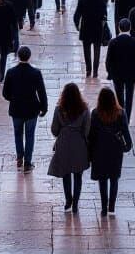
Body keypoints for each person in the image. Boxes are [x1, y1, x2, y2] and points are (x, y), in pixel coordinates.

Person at [2, 46, 48, 172]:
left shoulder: (11, 72)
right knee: (30, 135)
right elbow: (41, 92)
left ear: (18, 56)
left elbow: (5, 93)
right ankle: (27, 162)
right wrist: (44, 107)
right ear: (29, 56)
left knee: (17, 134)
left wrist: (14, 98)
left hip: (16, 109)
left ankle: (19, 157)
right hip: (31, 109)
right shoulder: (36, 73)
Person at [88, 87, 132, 216]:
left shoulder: (95, 113)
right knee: (114, 178)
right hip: (115, 150)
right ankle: (111, 206)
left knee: (102, 179)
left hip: (99, 150)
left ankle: (103, 207)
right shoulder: (120, 113)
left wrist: (89, 153)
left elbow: (91, 135)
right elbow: (125, 131)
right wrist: (127, 146)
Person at [48, 82, 91, 213]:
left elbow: (54, 130)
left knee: (65, 173)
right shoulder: (84, 109)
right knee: (78, 175)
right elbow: (87, 130)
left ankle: (68, 201)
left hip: (64, 144)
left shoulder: (59, 109)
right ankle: (76, 204)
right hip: (79, 145)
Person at [105, 19, 135, 122]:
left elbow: (108, 60)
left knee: (119, 96)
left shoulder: (113, 42)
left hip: (117, 74)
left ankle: (121, 118)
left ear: (119, 28)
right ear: (130, 28)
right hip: (131, 74)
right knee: (129, 96)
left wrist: (109, 72)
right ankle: (127, 118)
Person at [73, 0, 107, 78]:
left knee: (86, 50)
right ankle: (95, 71)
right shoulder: (100, 0)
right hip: (97, 28)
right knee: (97, 50)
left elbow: (76, 15)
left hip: (86, 28)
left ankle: (88, 70)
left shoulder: (82, 0)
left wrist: (77, 25)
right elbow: (104, 14)